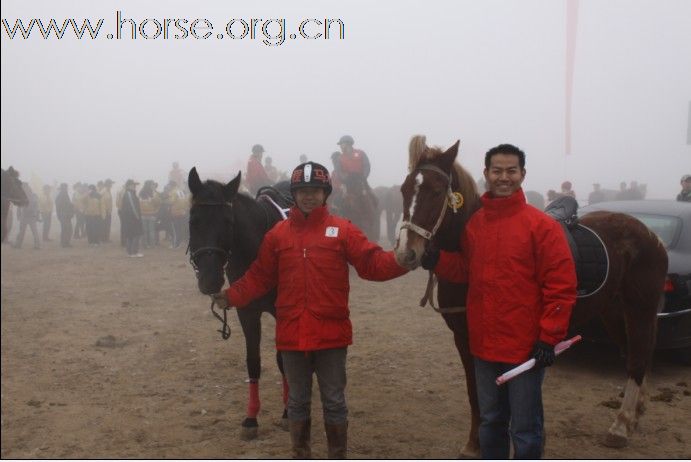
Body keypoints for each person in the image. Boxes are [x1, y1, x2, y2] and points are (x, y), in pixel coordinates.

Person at [211, 161, 407, 459]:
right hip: (292, 336)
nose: (308, 196)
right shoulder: (277, 235)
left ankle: (336, 455)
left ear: (325, 193)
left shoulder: (343, 230)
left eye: (315, 190)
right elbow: (259, 276)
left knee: (334, 402)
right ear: (294, 194)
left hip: (331, 336)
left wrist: (402, 260)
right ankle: (300, 454)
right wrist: (232, 296)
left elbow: (371, 263)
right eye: (302, 191)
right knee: (299, 403)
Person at [421, 144, 577, 459]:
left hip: (524, 348)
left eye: (511, 171)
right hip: (484, 346)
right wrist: (437, 259)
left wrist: (549, 336)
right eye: (497, 171)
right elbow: (467, 269)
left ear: (522, 175)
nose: (504, 178)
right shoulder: (475, 225)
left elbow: (561, 285)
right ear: (486, 174)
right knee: (490, 422)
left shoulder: (541, 226)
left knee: (524, 427)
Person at [13, 183, 41, 249]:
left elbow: (36, 207)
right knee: (22, 231)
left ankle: (37, 245)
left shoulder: (33, 196)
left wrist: (37, 216)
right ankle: (18, 244)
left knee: (34, 231)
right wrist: (18, 215)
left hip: (30, 216)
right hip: (25, 216)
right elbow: (19, 206)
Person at [120, 179, 144, 257]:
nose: (135, 186)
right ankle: (133, 252)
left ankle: (130, 252)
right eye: (133, 185)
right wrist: (138, 217)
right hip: (132, 218)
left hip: (130, 218)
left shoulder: (129, 193)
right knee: (135, 235)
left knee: (130, 235)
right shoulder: (129, 194)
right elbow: (133, 207)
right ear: (129, 185)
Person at [139, 180, 162, 248]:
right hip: (152, 214)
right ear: (150, 185)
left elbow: (138, 203)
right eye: (152, 185)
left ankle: (145, 244)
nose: (153, 186)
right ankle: (152, 245)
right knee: (151, 230)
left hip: (143, 214)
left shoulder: (140, 193)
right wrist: (156, 210)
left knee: (144, 230)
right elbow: (158, 203)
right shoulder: (153, 194)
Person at [54, 183, 75, 248]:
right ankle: (65, 243)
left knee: (65, 229)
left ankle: (64, 242)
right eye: (65, 188)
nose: (66, 189)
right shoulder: (62, 195)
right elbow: (61, 206)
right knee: (67, 229)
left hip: (64, 215)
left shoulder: (62, 195)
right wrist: (71, 206)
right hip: (64, 215)